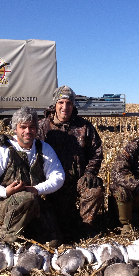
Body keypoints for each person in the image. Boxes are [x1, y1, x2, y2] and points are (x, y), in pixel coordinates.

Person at [0, 106, 65, 245]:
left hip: (32, 200)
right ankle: (4, 243)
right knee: (26, 198)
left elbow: (58, 176)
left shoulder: (44, 149)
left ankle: (27, 232)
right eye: (22, 127)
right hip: (3, 202)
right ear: (15, 129)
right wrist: (5, 191)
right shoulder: (3, 149)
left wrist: (37, 189)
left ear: (37, 128)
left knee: (54, 242)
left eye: (31, 127)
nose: (27, 131)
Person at [38, 85, 105, 236]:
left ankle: (85, 229)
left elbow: (96, 153)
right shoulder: (42, 127)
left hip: (78, 180)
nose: (65, 107)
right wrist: (7, 142)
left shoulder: (84, 127)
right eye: (61, 102)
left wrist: (90, 172)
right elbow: (26, 145)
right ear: (55, 104)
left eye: (69, 103)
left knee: (95, 190)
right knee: (58, 224)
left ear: (73, 105)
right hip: (51, 183)